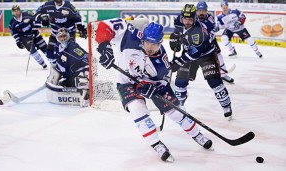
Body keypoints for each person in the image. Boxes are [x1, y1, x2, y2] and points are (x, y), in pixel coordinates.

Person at [95, 18, 213, 162]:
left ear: (160, 42)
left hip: (151, 83)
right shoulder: (129, 36)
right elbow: (105, 25)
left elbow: (162, 82)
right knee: (137, 108)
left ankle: (197, 134)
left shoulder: (161, 62)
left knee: (175, 111)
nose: (150, 47)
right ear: (142, 38)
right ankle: (156, 144)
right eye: (147, 42)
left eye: (154, 44)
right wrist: (104, 46)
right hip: (125, 82)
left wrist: (149, 88)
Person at [169, 4, 233, 120]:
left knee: (214, 82)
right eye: (185, 18)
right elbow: (178, 32)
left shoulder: (199, 31)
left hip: (206, 55)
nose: (187, 22)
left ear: (195, 19)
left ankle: (226, 105)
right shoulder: (179, 20)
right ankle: (179, 106)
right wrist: (175, 40)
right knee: (180, 82)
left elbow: (195, 53)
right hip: (189, 53)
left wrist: (177, 63)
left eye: (190, 19)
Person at [34, 0, 87, 66]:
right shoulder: (48, 4)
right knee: (50, 52)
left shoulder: (69, 6)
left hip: (68, 33)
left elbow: (77, 17)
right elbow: (38, 11)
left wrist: (80, 27)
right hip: (55, 33)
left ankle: (72, 67)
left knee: (70, 51)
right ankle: (56, 68)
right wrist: (43, 17)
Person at [46, 28, 89, 107]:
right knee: (62, 82)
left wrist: (86, 71)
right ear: (57, 38)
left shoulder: (72, 46)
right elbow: (60, 64)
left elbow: (86, 57)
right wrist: (57, 72)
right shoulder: (56, 48)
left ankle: (86, 93)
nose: (63, 39)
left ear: (68, 36)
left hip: (77, 73)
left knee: (77, 81)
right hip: (68, 75)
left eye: (64, 36)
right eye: (60, 37)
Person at [9, 5, 47, 69]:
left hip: (36, 35)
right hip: (25, 39)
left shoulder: (27, 14)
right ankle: (43, 64)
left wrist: (35, 28)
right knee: (33, 51)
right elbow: (14, 33)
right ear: (12, 12)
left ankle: (53, 62)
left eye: (17, 10)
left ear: (20, 10)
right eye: (14, 11)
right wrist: (18, 41)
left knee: (45, 48)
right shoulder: (12, 22)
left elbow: (37, 19)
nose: (16, 12)